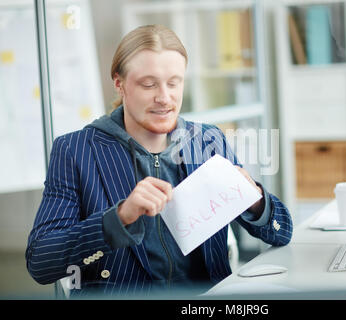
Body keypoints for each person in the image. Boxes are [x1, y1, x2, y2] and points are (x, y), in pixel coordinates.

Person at [26, 24, 292, 297]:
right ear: (119, 84)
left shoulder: (208, 142)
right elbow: (41, 262)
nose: (164, 98)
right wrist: (119, 218)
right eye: (148, 84)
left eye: (174, 82)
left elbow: (281, 233)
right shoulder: (75, 150)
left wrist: (256, 199)